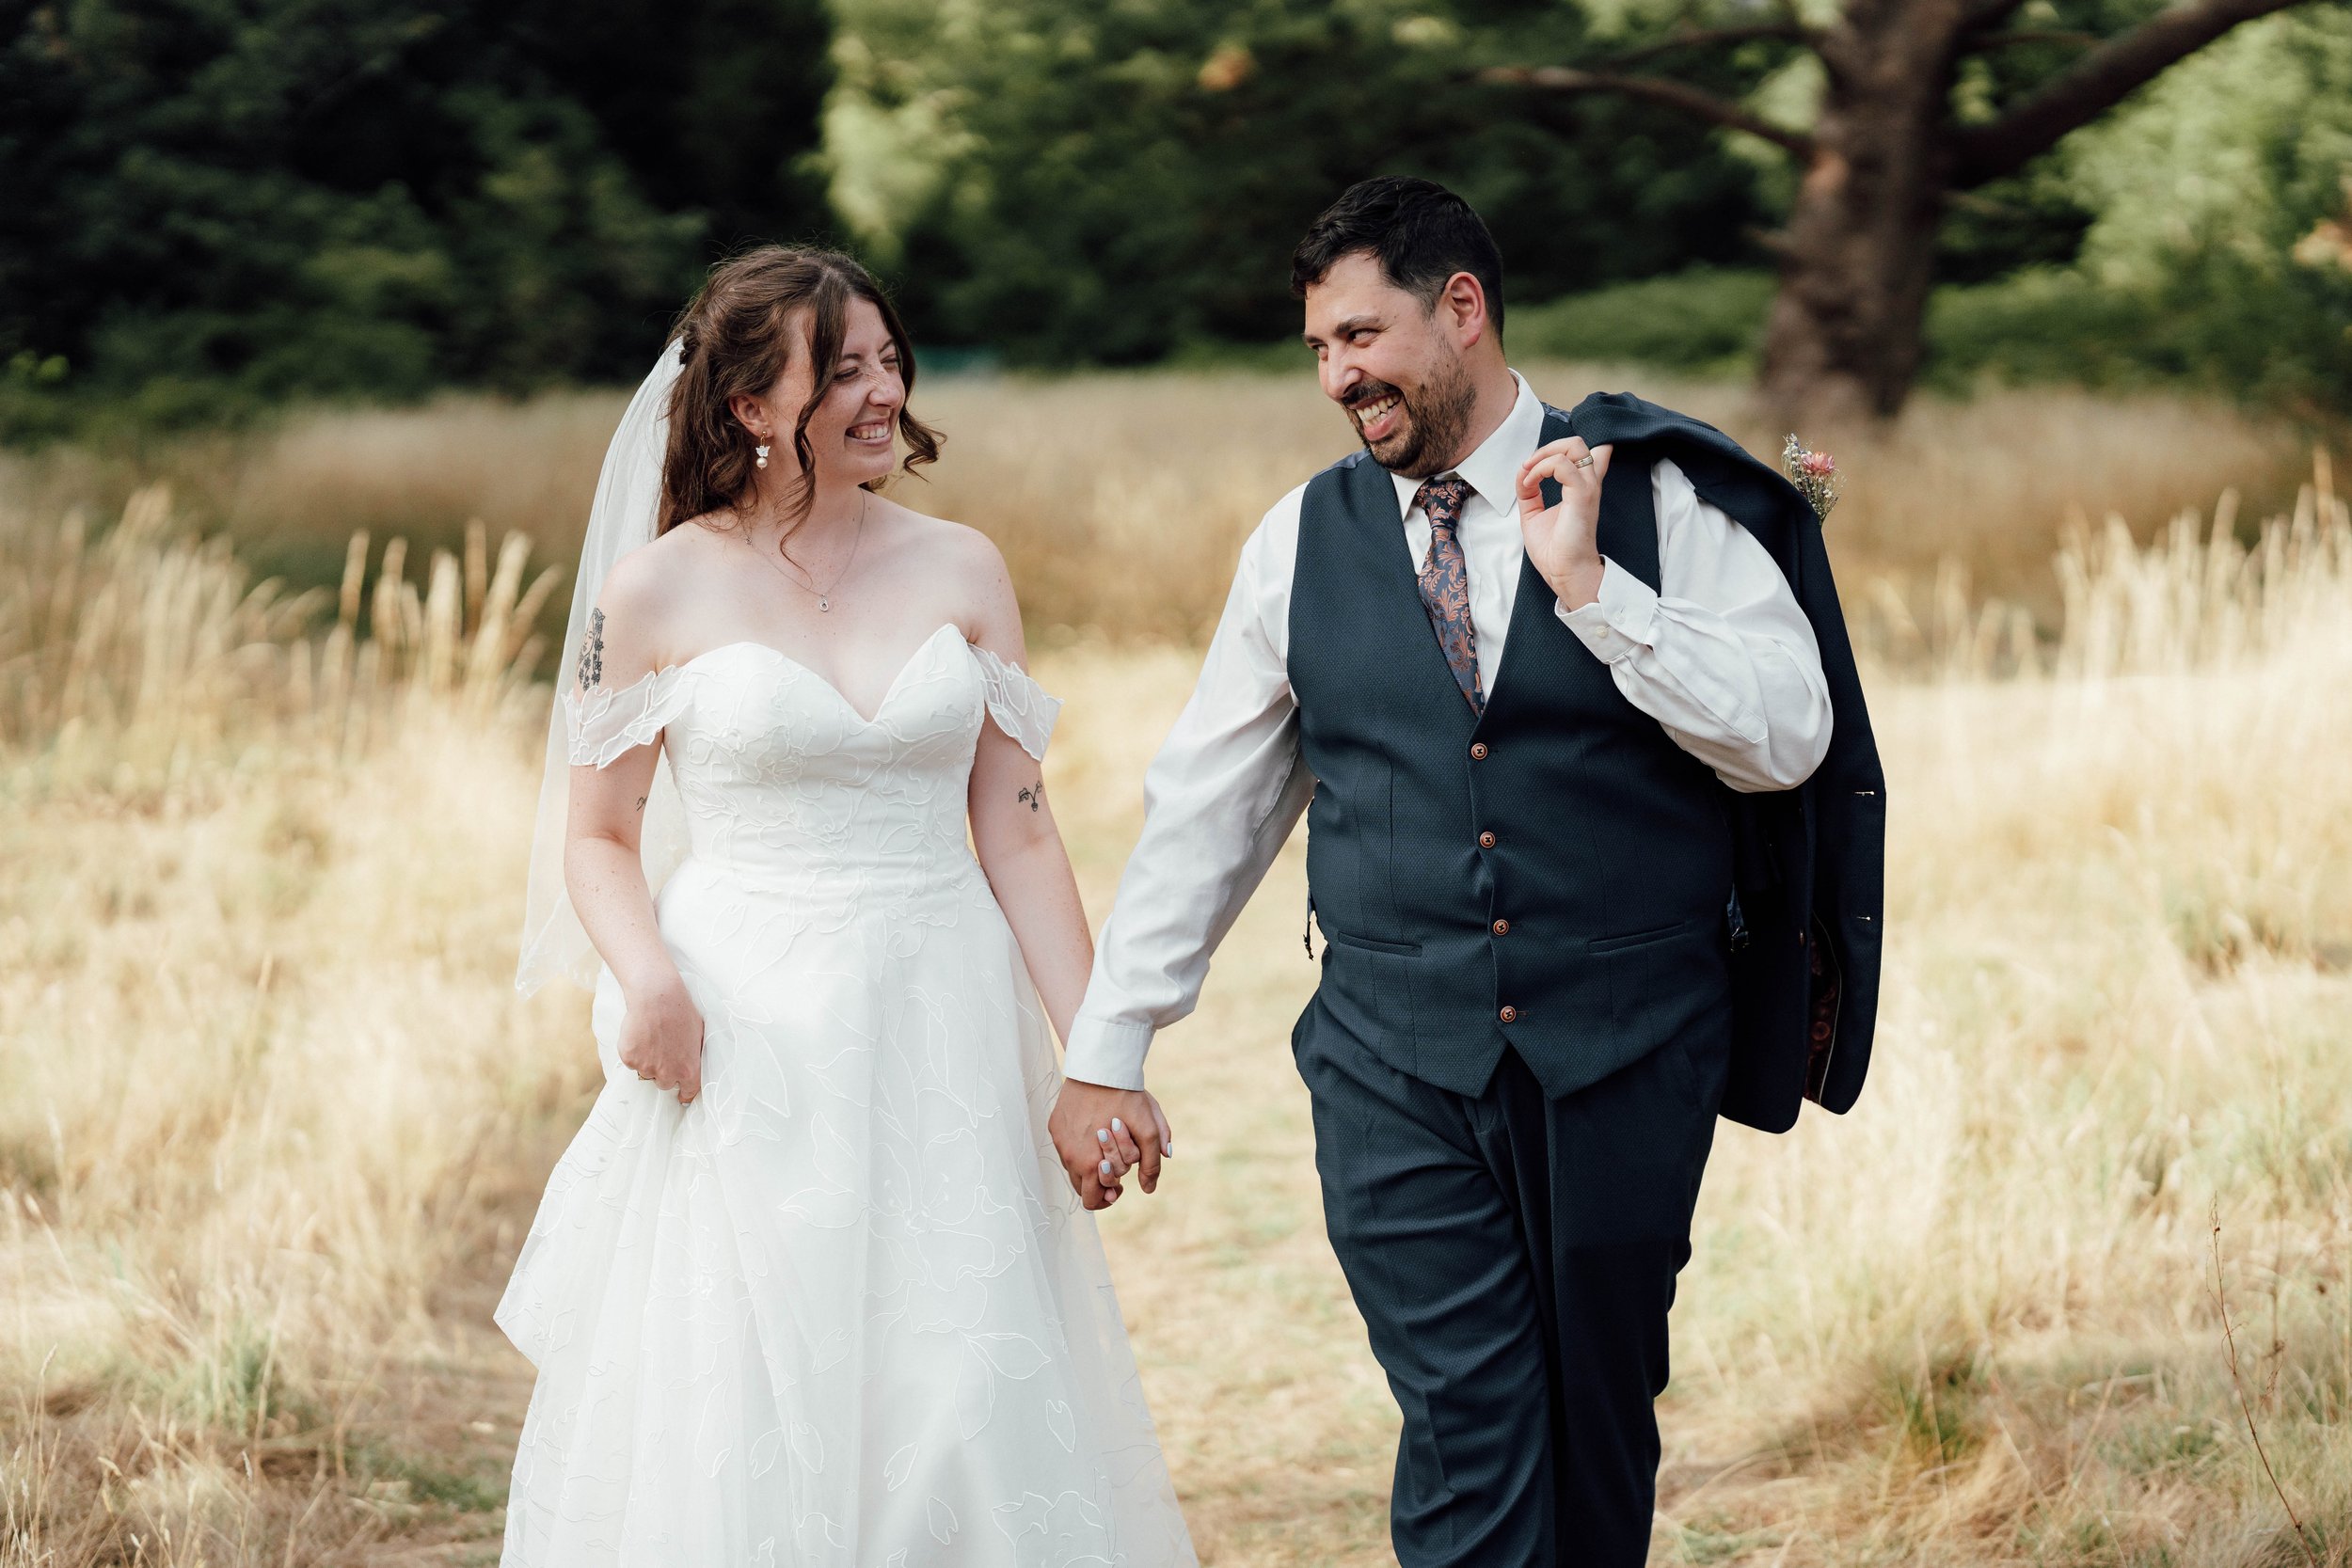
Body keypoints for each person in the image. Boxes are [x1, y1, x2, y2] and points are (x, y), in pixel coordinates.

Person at [1048, 177, 1883, 1565]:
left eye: (1361, 337)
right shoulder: (1296, 543)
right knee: (1469, 1429)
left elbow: (1790, 738)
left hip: (1626, 1054)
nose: (1339, 377)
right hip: (1392, 1064)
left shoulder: (1657, 500)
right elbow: (1210, 807)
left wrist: (1596, 595)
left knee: (1599, 1426)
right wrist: (1111, 1041)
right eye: (1317, 348)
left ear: (1464, 309)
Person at [499, 245, 1195, 1567]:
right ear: (754, 406)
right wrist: (648, 978)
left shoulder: (965, 566)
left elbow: (1021, 825)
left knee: (961, 1377)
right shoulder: (649, 592)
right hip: (745, 1034)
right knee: (755, 1374)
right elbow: (598, 833)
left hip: (942, 1013)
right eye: (845, 369)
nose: (884, 393)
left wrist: (1099, 1055)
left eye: (890, 361)